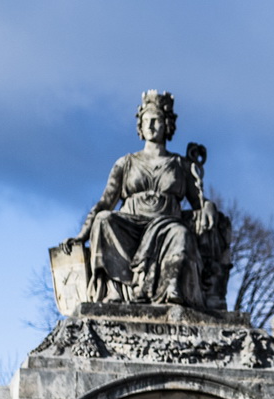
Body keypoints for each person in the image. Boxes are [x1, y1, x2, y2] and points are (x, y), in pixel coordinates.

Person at [73, 91, 216, 309]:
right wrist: (81, 235)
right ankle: (115, 290)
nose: (150, 125)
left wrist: (209, 207)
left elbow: (200, 202)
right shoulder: (126, 163)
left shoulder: (180, 165)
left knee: (181, 233)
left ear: (167, 124)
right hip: (130, 224)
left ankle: (171, 288)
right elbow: (104, 203)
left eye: (156, 120)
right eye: (146, 120)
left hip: (166, 225)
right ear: (140, 125)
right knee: (104, 220)